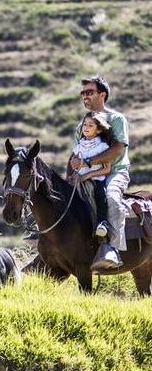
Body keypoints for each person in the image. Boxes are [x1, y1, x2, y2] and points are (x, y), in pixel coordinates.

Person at [68, 75, 131, 269]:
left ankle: (111, 249)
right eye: (83, 93)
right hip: (85, 173)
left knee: (111, 199)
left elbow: (117, 149)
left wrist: (87, 163)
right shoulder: (82, 125)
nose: (85, 96)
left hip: (115, 172)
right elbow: (74, 155)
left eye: (89, 92)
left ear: (102, 95)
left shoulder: (116, 119)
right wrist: (70, 176)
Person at [71, 112, 114, 239]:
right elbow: (74, 165)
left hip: (97, 180)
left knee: (101, 196)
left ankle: (102, 222)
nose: (86, 127)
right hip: (79, 181)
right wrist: (74, 172)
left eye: (91, 125)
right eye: (84, 124)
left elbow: (107, 169)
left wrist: (88, 175)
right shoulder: (79, 146)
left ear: (99, 129)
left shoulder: (103, 146)